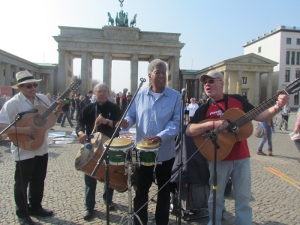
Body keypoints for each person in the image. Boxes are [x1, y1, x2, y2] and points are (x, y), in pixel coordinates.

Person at [185, 70, 289, 225]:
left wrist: (278, 106)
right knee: (216, 197)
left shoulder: (238, 100)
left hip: (242, 158)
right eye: (205, 82)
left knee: (243, 198)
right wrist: (213, 124)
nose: (207, 84)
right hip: (218, 158)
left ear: (221, 82)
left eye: (211, 81)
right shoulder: (204, 108)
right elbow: (189, 130)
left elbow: (260, 116)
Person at [120, 59, 181, 225]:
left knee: (163, 190)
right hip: (143, 152)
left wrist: (160, 136)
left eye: (164, 73)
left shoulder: (175, 96)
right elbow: (130, 115)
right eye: (158, 73)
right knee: (141, 189)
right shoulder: (139, 96)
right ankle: (140, 222)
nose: (162, 76)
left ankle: (162, 222)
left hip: (165, 151)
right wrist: (126, 122)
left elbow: (176, 122)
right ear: (149, 75)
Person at [0, 70, 64, 225]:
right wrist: (24, 130)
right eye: (28, 86)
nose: (33, 88)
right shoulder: (12, 104)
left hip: (41, 145)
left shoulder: (42, 99)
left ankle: (35, 206)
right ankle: (22, 214)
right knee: (22, 182)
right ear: (20, 88)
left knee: (38, 179)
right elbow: (2, 126)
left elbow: (50, 120)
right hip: (23, 147)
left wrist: (59, 108)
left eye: (35, 85)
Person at [76, 83, 122, 221]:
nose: (101, 94)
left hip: (110, 144)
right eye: (99, 91)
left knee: (109, 173)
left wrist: (107, 122)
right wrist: (80, 133)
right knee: (89, 175)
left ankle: (108, 200)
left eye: (104, 91)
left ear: (108, 94)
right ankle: (89, 206)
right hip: (92, 146)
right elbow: (79, 122)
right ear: (94, 94)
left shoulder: (115, 108)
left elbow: (120, 124)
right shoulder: (88, 108)